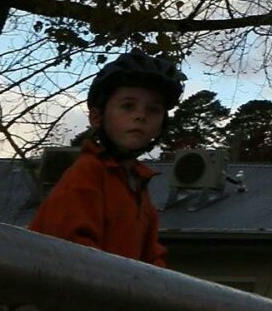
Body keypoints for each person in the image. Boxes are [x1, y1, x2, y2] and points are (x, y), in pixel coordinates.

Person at [28, 50, 185, 267]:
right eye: (128, 106)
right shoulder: (87, 173)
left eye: (153, 109)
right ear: (97, 117)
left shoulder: (137, 185)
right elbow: (71, 253)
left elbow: (152, 261)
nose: (141, 115)